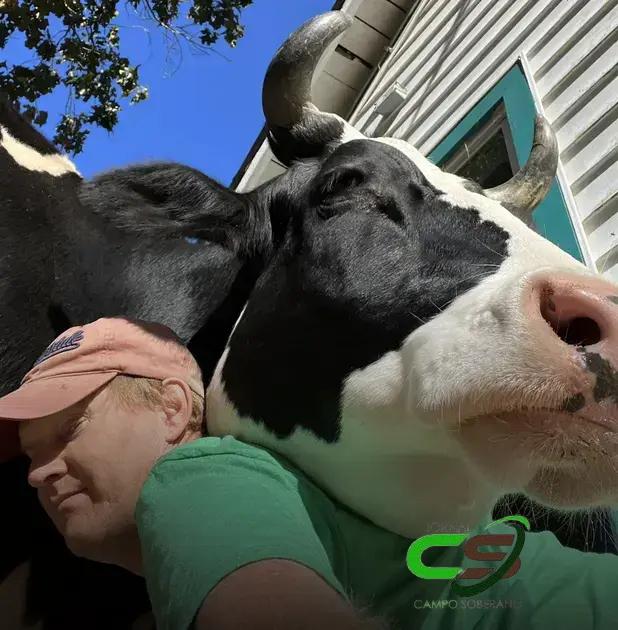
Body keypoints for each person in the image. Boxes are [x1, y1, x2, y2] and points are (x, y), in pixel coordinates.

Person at [2, 317, 618, 630]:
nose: (37, 475)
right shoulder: (267, 501)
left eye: (67, 431)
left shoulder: (193, 479)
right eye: (31, 454)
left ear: (172, 409)